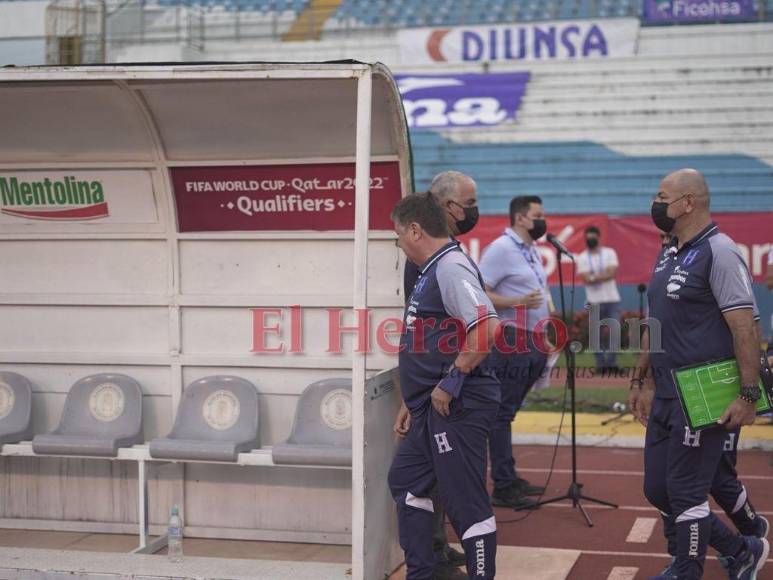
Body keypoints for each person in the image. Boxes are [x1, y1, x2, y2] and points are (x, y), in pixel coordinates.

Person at [627, 168, 768, 579]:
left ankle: (686, 570)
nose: (655, 204)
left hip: (704, 391)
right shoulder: (668, 252)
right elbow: (655, 322)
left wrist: (748, 394)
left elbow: (744, 325)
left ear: (688, 202)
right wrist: (641, 380)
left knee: (687, 493)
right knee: (657, 489)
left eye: (661, 196)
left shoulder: (721, 251)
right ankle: (740, 549)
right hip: (667, 392)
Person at [388, 192, 500, 580]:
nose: (399, 242)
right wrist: (411, 397)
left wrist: (451, 381)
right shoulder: (429, 268)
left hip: (457, 404)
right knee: (406, 482)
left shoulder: (450, 267)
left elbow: (488, 327)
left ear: (415, 230)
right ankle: (424, 572)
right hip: (428, 406)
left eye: (399, 234)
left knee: (465, 503)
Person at [477, 195, 550, 510]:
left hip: (532, 338)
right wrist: (516, 304)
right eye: (538, 215)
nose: (542, 220)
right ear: (520, 218)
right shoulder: (502, 249)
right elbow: (478, 292)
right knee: (501, 413)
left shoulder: (529, 250)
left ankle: (509, 475)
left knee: (508, 413)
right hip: (511, 338)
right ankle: (503, 485)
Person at [577, 226, 622, 373]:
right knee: (596, 334)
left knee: (614, 331)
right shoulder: (582, 257)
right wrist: (600, 275)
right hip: (593, 300)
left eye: (593, 237)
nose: (590, 239)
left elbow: (611, 273)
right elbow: (585, 278)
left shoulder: (609, 253)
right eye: (588, 237)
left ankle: (612, 363)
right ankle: (601, 365)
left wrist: (593, 276)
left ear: (598, 237)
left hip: (611, 299)